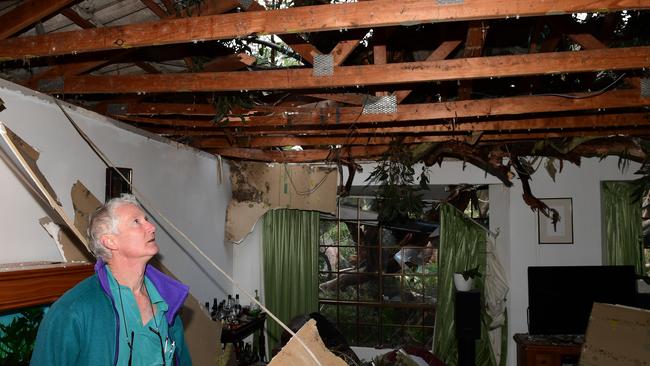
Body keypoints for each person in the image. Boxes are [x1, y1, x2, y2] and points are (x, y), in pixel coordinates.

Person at [30, 194, 192, 365]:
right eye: (136, 222)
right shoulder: (73, 311)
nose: (151, 227)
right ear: (110, 241)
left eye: (146, 219)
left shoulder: (167, 302)